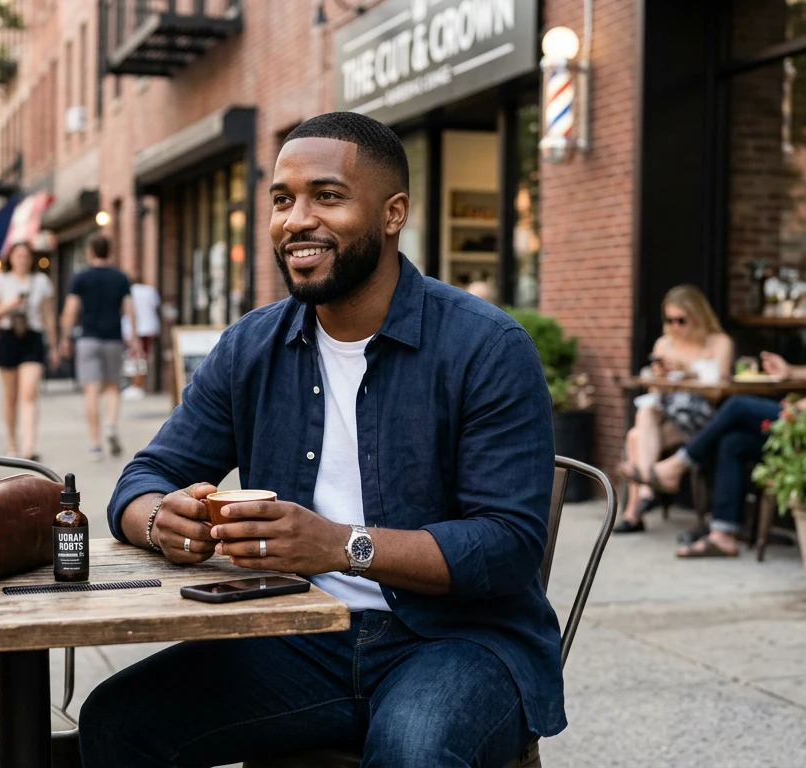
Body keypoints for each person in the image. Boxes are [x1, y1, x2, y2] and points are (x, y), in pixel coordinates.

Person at [79, 112, 560, 767]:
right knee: (118, 722)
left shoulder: (486, 347)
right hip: (300, 630)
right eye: (282, 199)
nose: (295, 219)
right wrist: (162, 521)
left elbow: (507, 547)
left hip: (462, 642)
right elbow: (144, 477)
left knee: (412, 753)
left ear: (393, 214)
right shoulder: (251, 346)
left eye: (327, 197)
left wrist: (340, 545)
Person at [647, 269, 806, 558]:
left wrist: (791, 410)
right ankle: (723, 534)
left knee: (736, 405)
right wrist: (791, 371)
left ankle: (679, 463)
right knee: (733, 441)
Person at [614, 285, 734, 533]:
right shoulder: (664, 344)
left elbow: (717, 389)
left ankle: (634, 512)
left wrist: (686, 369)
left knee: (635, 436)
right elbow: (656, 393)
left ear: (698, 315)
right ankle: (648, 484)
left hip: (702, 417)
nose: (676, 326)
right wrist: (661, 377)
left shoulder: (719, 342)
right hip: (667, 412)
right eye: (670, 320)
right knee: (645, 414)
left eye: (681, 320)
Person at [58, 234, 137, 462]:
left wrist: (65, 337)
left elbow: (70, 311)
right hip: (113, 338)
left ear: (91, 251)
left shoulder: (81, 278)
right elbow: (129, 309)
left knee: (91, 390)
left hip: (88, 338)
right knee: (113, 387)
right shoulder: (120, 278)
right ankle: (111, 425)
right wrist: (133, 337)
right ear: (109, 252)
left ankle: (95, 444)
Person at [0, 243, 59, 460]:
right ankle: (11, 443)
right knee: (10, 397)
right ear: (11, 258)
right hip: (8, 336)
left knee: (29, 392)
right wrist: (10, 305)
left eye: (26, 256)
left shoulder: (41, 281)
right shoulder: (0, 281)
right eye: (18, 256)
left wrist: (54, 345)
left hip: (33, 337)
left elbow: (48, 315)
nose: (22, 260)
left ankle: (28, 446)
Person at [121, 277, 160, 401]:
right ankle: (138, 385)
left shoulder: (128, 291)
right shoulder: (150, 291)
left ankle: (136, 386)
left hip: (133, 328)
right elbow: (155, 305)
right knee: (142, 357)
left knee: (134, 357)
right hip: (148, 327)